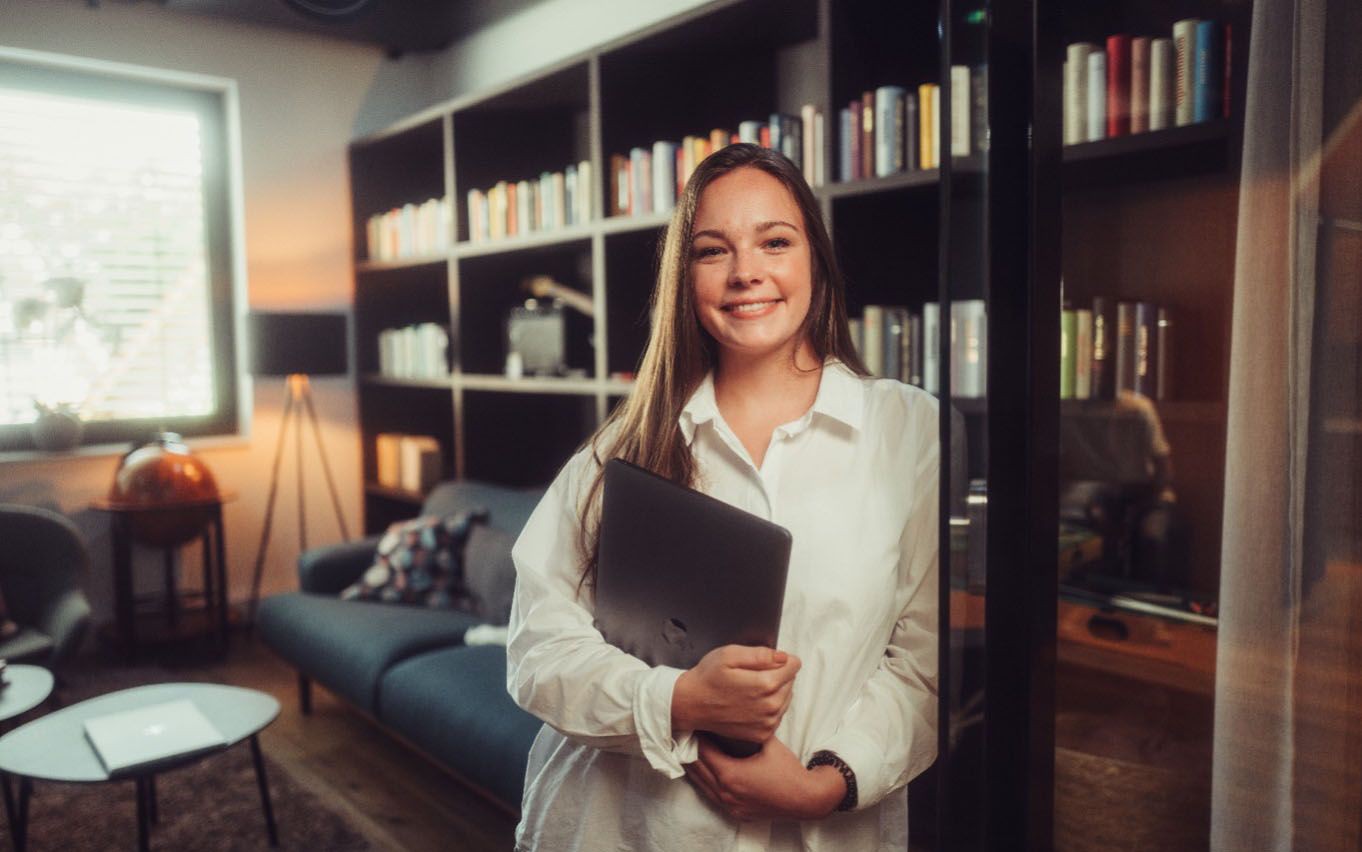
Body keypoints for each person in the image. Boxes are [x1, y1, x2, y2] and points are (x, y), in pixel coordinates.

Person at [506, 142, 938, 851]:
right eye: (713, 251)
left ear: (815, 260)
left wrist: (824, 784)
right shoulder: (629, 441)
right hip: (622, 830)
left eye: (775, 241)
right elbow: (537, 647)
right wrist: (677, 699)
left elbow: (922, 666)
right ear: (686, 276)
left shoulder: (908, 429)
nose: (747, 273)